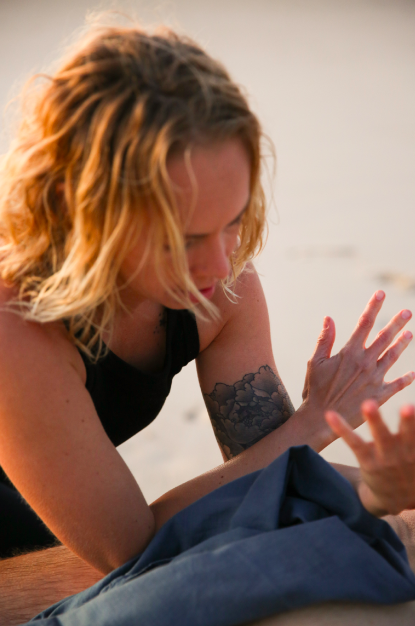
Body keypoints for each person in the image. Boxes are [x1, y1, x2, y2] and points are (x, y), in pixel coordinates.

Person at [0, 17, 414, 625]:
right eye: (184, 239)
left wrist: (387, 483)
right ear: (87, 213)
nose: (222, 264)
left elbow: (272, 479)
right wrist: (315, 421)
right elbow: (135, 549)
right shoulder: (15, 323)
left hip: (67, 547)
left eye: (233, 221)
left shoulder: (220, 284)